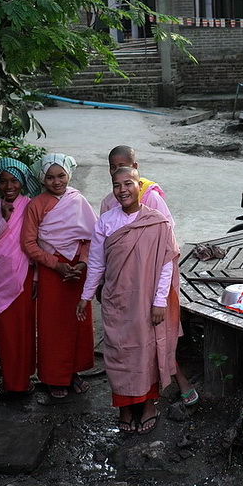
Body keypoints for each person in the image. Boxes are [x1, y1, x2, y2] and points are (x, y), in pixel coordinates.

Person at [77, 166, 181, 435]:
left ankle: (148, 406)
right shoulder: (106, 221)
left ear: (140, 187)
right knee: (119, 352)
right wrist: (86, 296)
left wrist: (159, 302)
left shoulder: (157, 222)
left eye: (128, 184)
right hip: (117, 301)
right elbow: (97, 264)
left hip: (147, 303)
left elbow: (166, 265)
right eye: (116, 185)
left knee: (146, 351)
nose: (122, 190)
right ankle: (124, 407)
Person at [99, 145, 197, 407]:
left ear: (136, 168)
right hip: (123, 287)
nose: (118, 174)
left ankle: (174, 383)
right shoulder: (109, 202)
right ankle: (133, 396)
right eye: (112, 167)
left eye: (124, 166)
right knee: (131, 341)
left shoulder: (150, 197)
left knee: (155, 336)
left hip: (153, 283)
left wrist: (158, 295)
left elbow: (167, 243)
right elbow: (107, 248)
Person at [21, 153, 98, 399]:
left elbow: (91, 237)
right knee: (53, 326)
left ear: (69, 175)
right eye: (50, 177)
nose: (57, 182)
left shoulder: (78, 200)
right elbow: (29, 244)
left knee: (78, 323)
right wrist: (55, 265)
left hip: (77, 272)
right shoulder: (36, 205)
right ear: (43, 179)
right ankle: (55, 377)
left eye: (61, 176)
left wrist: (83, 262)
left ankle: (74, 373)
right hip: (52, 273)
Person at [0, 158, 41, 394]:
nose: (9, 186)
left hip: (23, 277)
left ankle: (22, 381)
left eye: (14, 180)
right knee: (5, 332)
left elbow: (36, 242)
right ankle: (11, 381)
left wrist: (35, 279)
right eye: (3, 181)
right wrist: (3, 219)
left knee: (23, 330)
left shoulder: (31, 206)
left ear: (22, 182)